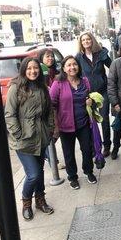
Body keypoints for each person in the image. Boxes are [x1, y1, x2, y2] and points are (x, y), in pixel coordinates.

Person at [5, 57, 54, 220]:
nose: (33, 71)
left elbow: (49, 112)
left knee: (39, 172)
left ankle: (40, 200)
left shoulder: (43, 87)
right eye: (29, 68)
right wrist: (18, 134)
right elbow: (9, 114)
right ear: (24, 70)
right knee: (33, 174)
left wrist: (50, 129)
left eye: (36, 68)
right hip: (23, 140)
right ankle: (26, 202)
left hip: (41, 137)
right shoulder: (16, 87)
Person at [50, 55, 97, 190]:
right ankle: (73, 177)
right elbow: (52, 104)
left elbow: (92, 98)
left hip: (84, 123)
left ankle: (89, 171)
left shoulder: (85, 81)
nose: (72, 67)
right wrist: (55, 126)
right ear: (64, 68)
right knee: (69, 153)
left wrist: (91, 102)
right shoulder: (58, 83)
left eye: (74, 64)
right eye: (69, 65)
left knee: (87, 150)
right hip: (65, 126)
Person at [76, 32, 112, 157]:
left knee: (105, 120)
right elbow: (75, 75)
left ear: (92, 40)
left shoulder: (101, 54)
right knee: (91, 122)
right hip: (88, 95)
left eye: (88, 39)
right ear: (81, 43)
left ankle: (107, 145)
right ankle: (95, 146)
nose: (86, 41)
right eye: (83, 40)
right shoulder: (78, 57)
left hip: (103, 92)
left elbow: (112, 67)